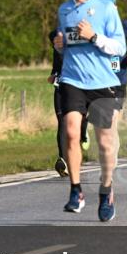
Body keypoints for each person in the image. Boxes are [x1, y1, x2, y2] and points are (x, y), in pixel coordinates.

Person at [53, 0, 126, 222]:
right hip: (73, 80)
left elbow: (120, 48)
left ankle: (106, 190)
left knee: (106, 144)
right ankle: (76, 190)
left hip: (102, 82)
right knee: (71, 132)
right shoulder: (64, 10)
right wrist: (60, 44)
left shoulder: (106, 7)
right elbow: (64, 42)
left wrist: (94, 37)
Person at [47, 29, 89, 178]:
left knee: (80, 120)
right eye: (54, 43)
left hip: (77, 88)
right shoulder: (56, 48)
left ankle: (84, 134)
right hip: (60, 87)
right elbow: (55, 66)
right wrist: (53, 75)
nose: (56, 45)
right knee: (61, 122)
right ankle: (62, 159)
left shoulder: (76, 45)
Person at [101, 0, 127, 126]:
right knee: (101, 120)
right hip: (99, 79)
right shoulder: (95, 27)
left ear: (115, 8)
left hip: (118, 79)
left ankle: (111, 146)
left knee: (112, 119)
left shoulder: (124, 25)